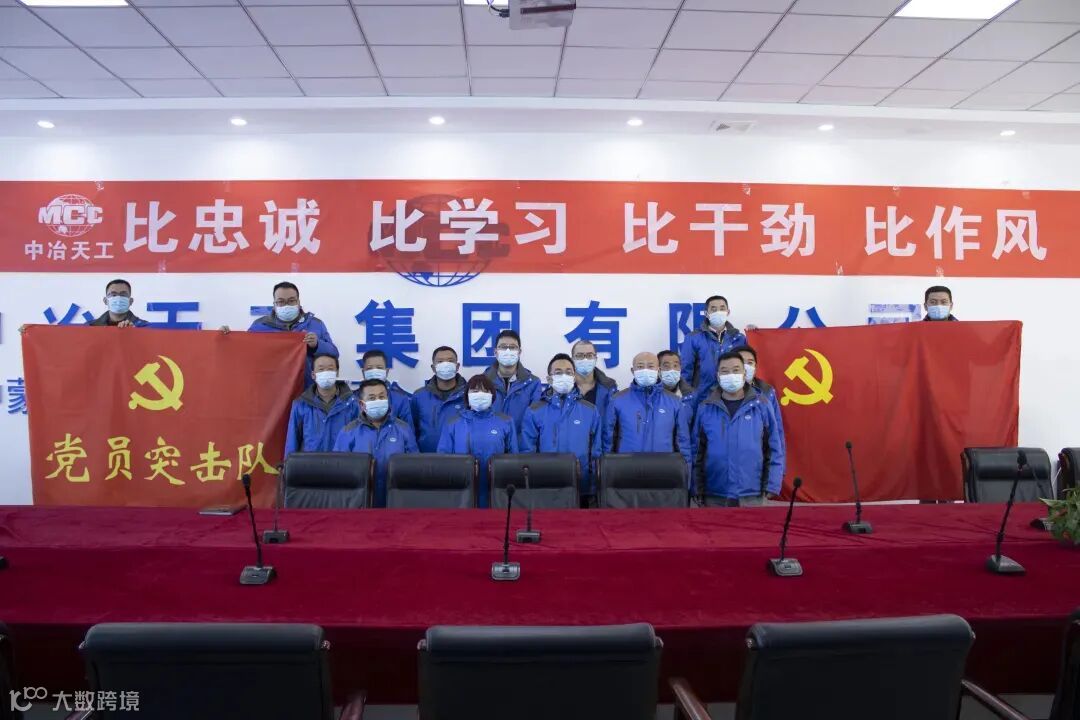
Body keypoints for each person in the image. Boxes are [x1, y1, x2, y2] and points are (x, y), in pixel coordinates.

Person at [692, 351, 784, 507]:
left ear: (744, 374)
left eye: (736, 370)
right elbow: (696, 452)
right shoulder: (705, 408)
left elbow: (774, 448)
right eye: (725, 371)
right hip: (714, 494)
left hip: (752, 494)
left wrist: (772, 484)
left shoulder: (762, 405)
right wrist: (696, 487)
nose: (731, 375)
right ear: (718, 376)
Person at [521, 353, 602, 508]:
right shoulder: (534, 411)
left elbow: (596, 452)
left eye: (568, 372)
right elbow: (528, 452)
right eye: (558, 372)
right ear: (549, 379)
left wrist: (592, 487)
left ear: (574, 377)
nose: (564, 376)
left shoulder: (590, 411)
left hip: (581, 487)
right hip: (544, 486)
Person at [226, 281, 337, 389]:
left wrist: (317, 345)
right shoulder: (259, 326)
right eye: (281, 301)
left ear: (298, 302)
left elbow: (334, 353)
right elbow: (245, 352)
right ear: (274, 304)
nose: (286, 305)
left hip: (305, 391)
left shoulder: (315, 324)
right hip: (272, 390)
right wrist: (225, 338)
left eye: (291, 301)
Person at [333, 378, 418, 507]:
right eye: (372, 398)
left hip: (396, 503)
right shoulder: (348, 432)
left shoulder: (403, 429)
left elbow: (415, 468)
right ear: (362, 405)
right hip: (359, 504)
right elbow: (338, 471)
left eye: (381, 397)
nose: (378, 401)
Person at [437, 374, 518, 508]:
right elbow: (443, 461)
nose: (480, 394)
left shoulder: (505, 422)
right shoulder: (453, 423)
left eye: (485, 391)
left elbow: (513, 460)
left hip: (497, 495)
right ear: (467, 396)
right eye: (475, 391)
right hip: (461, 496)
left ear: (492, 396)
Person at [603, 351, 692, 472]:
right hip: (626, 471)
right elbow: (608, 442)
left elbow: (683, 443)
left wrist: (686, 476)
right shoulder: (617, 400)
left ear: (658, 370)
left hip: (664, 471)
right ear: (632, 370)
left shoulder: (675, 402)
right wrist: (608, 474)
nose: (645, 370)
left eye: (650, 366)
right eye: (640, 366)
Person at [284, 353, 359, 457]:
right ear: (313, 375)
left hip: (342, 464)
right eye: (321, 369)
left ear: (337, 372)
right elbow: (292, 441)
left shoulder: (352, 403)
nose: (326, 372)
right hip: (309, 464)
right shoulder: (301, 405)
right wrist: (288, 464)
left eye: (330, 369)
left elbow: (359, 440)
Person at [679, 295, 747, 392]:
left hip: (732, 394)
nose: (718, 312)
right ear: (706, 313)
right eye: (714, 309)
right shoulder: (693, 338)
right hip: (703, 396)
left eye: (722, 308)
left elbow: (747, 367)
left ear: (728, 312)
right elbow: (686, 370)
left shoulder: (739, 338)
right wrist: (688, 396)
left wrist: (753, 332)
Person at [483, 329, 542, 436]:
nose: (508, 351)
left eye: (513, 347)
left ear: (519, 352)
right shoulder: (483, 381)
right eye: (503, 347)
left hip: (521, 443)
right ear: (495, 352)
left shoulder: (533, 383)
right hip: (491, 441)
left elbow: (534, 422)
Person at [412, 346, 468, 452]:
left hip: (460, 458)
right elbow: (412, 430)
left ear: (457, 366)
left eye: (450, 361)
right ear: (433, 368)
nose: (445, 365)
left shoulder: (469, 395)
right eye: (440, 361)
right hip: (426, 457)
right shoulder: (419, 396)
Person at [733, 344, 785, 452]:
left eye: (750, 363)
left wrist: (777, 461)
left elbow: (777, 432)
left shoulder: (767, 392)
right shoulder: (718, 393)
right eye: (741, 362)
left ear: (755, 367)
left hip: (759, 458)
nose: (746, 367)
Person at [359, 349, 414, 428]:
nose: (374, 371)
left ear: (387, 371)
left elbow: (408, 429)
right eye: (369, 368)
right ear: (363, 372)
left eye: (379, 367)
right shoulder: (353, 398)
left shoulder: (400, 399)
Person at [571, 339, 619, 423]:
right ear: (572, 359)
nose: (585, 359)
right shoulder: (564, 387)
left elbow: (613, 422)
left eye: (589, 355)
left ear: (595, 358)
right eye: (579, 356)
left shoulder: (609, 388)